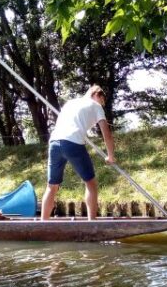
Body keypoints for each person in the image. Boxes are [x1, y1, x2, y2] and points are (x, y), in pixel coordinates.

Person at [42, 84, 115, 220]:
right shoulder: (96, 105)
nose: (101, 104)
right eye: (102, 101)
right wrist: (110, 156)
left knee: (51, 187)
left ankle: (42, 224)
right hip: (72, 143)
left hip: (54, 143)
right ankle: (92, 223)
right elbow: (107, 133)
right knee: (91, 184)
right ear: (96, 94)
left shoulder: (70, 103)